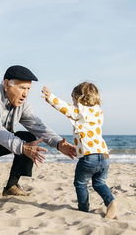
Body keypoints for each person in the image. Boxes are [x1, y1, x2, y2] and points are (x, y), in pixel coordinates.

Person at [0, 65, 77, 199]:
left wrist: (58, 143)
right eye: (22, 88)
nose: (26, 93)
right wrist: (22, 147)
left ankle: (11, 186)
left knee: (29, 138)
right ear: (7, 84)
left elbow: (37, 125)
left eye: (28, 89)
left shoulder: (22, 103)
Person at [41, 82, 117, 219]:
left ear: (79, 99)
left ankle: (83, 209)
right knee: (100, 183)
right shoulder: (99, 112)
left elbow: (64, 108)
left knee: (80, 183)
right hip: (104, 156)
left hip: (89, 157)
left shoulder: (80, 112)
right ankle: (110, 201)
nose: (73, 103)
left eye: (73, 100)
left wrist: (50, 97)